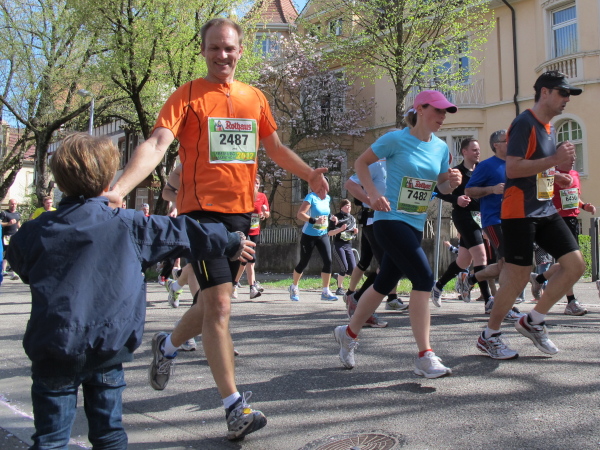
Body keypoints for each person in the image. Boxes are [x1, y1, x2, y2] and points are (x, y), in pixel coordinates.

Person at [104, 18, 329, 440]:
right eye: (214, 48)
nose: (222, 55)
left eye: (229, 48)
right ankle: (233, 407)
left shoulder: (254, 97)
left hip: (240, 217)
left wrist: (309, 174)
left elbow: (275, 148)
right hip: (200, 216)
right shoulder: (188, 94)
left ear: (240, 51)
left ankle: (167, 346)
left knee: (213, 305)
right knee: (220, 307)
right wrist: (119, 189)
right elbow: (157, 143)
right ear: (203, 50)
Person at [6, 133, 254, 449]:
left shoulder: (36, 230)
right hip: (107, 345)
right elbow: (181, 233)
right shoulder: (130, 224)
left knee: (51, 438)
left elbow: (21, 264)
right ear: (108, 178)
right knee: (109, 434)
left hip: (53, 345)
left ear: (61, 181)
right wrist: (229, 240)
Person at [333, 90, 462, 378]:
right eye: (438, 110)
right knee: (424, 278)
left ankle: (348, 333)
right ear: (420, 109)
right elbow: (361, 163)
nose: (442, 116)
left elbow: (441, 186)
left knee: (384, 282)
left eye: (445, 112)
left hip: (415, 224)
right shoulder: (395, 139)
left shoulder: (441, 148)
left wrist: (452, 181)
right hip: (389, 220)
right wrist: (373, 194)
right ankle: (425, 356)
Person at [475, 70, 585, 360]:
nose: (566, 99)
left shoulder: (549, 128)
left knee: (575, 265)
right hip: (519, 211)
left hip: (545, 207)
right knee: (517, 276)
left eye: (569, 95)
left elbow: (536, 166)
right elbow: (513, 169)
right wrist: (554, 160)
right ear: (544, 92)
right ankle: (489, 336)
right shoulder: (524, 122)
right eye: (563, 93)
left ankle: (533, 321)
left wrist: (554, 174)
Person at [463, 129, 526, 319]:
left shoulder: (516, 164)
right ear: (496, 145)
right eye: (507, 140)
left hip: (516, 220)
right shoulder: (486, 166)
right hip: (494, 220)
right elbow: (469, 190)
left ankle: (471, 278)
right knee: (509, 264)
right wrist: (492, 189)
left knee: (507, 264)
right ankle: (505, 306)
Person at [431, 138, 492, 307]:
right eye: (474, 149)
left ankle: (438, 286)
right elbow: (437, 191)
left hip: (480, 216)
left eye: (478, 149)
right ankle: (488, 300)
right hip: (463, 216)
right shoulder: (456, 171)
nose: (478, 152)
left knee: (464, 261)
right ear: (464, 152)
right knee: (481, 256)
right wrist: (456, 199)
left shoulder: (482, 169)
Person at [289, 188, 339, 302]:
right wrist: (314, 221)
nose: (326, 190)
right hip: (309, 235)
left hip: (323, 234)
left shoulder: (327, 198)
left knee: (328, 261)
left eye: (327, 187)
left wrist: (332, 217)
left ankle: (325, 291)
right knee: (303, 262)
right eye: (323, 187)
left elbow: (324, 213)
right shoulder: (311, 197)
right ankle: (294, 287)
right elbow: (300, 215)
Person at [232, 175, 270, 299]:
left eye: (257, 183)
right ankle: (252, 288)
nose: (256, 185)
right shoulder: (243, 196)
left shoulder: (262, 197)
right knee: (251, 259)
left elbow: (267, 214)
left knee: (245, 261)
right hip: (244, 232)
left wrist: (264, 213)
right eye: (254, 183)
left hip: (255, 231)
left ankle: (234, 284)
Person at [328, 199, 358, 295]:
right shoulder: (336, 218)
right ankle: (339, 288)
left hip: (348, 245)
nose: (349, 207)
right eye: (347, 206)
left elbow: (352, 233)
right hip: (338, 245)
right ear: (341, 207)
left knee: (353, 269)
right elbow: (329, 233)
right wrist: (340, 229)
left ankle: (339, 277)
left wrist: (355, 232)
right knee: (344, 267)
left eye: (350, 206)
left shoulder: (352, 218)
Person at [1, 198, 21, 279]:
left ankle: (14, 272)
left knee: (15, 253)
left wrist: (23, 231)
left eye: (15, 204)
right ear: (9, 204)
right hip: (6, 236)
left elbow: (18, 224)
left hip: (15, 236)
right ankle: (3, 270)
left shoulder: (17, 214)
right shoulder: (4, 213)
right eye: (12, 204)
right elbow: (0, 223)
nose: (13, 205)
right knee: (7, 253)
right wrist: (8, 223)